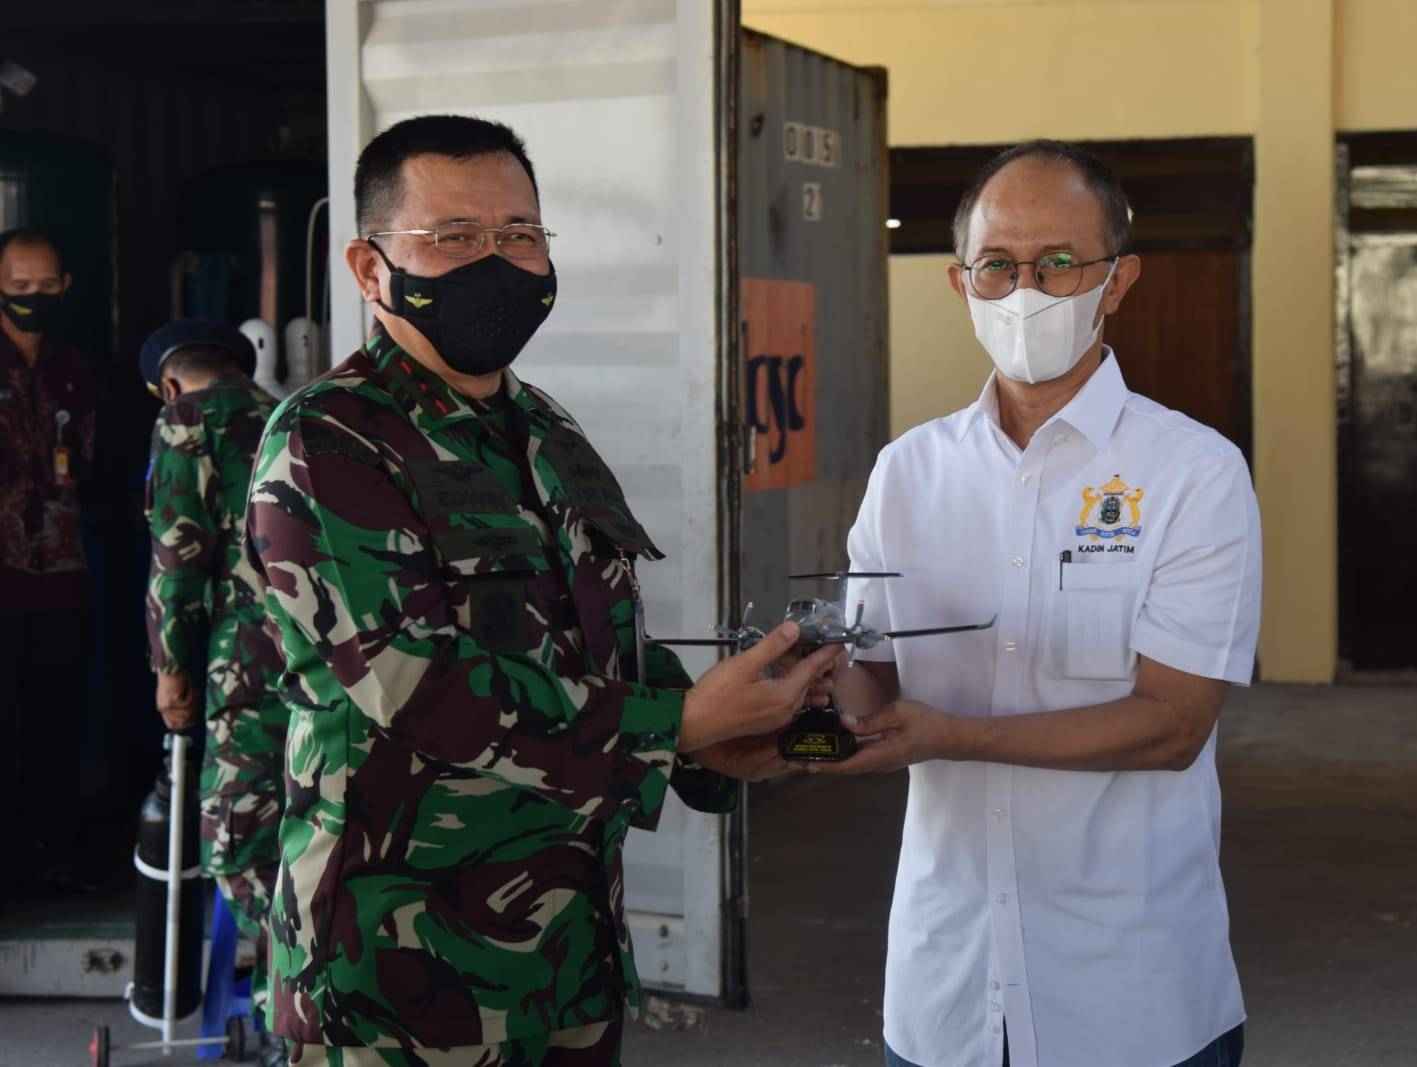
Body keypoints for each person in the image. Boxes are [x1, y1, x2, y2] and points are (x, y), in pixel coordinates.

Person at [244, 114, 839, 1067]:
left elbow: (601, 643)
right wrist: (677, 725)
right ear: (369, 267)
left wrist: (726, 738)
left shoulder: (547, 432)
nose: (498, 261)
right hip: (398, 977)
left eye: (520, 234)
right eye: (455, 237)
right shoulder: (329, 440)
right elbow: (418, 688)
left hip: (567, 956)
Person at [823, 141, 1262, 1067]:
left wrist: (951, 733)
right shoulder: (908, 474)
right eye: (997, 264)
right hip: (946, 991)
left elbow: (1172, 726)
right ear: (960, 282)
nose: (1025, 291)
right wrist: (809, 688)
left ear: (1117, 280)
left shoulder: (1193, 474)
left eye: (1058, 262)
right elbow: (867, 679)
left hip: (1132, 998)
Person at [141, 318, 291, 1067]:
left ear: (169, 384)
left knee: (237, 845)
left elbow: (178, 555)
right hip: (319, 662)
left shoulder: (185, 421)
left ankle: (289, 1022)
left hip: (245, 669)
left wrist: (171, 670)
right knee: (303, 829)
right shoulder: (293, 413)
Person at [0, 227, 96, 899]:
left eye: (44, 287)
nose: (32, 298)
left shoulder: (77, 371)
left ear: (64, 288)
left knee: (58, 723)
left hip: (63, 578)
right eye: (18, 287)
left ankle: (56, 859)